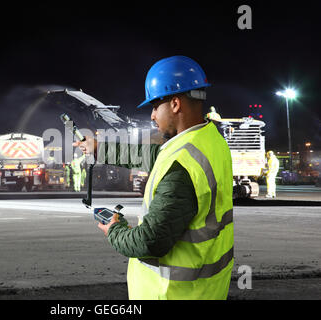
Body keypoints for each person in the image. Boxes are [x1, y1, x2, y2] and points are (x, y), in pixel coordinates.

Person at [74, 56, 234, 300]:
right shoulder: (209, 140)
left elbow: (149, 241)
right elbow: (152, 154)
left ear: (175, 104)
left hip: (173, 293)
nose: (151, 115)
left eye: (154, 106)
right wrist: (99, 148)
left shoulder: (181, 167)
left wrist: (114, 229)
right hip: (207, 289)